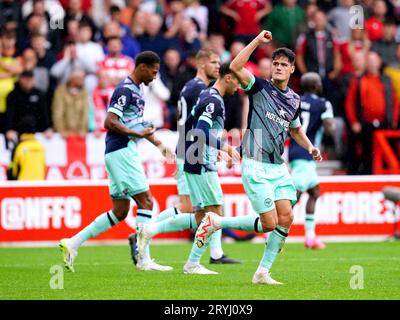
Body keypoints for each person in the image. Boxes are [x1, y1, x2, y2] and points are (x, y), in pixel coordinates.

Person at [194, 31, 322, 285]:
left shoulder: (294, 100)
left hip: (277, 166)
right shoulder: (259, 87)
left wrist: (310, 147)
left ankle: (262, 272)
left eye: (284, 64)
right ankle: (217, 222)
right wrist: (257, 42)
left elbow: (295, 129)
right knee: (269, 223)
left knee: (286, 217)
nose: (278, 67)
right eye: (275, 63)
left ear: (292, 70)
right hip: (254, 162)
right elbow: (235, 66)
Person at [59, 51, 176, 273]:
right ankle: (144, 259)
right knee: (146, 202)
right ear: (142, 67)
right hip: (121, 150)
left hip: (118, 151)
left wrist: (160, 146)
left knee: (120, 211)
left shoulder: (138, 89)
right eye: (153, 72)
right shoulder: (125, 89)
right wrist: (135, 133)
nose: (154, 76)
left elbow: (139, 126)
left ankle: (72, 243)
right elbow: (109, 121)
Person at [130, 51, 240, 269]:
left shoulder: (192, 87)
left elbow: (190, 124)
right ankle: (148, 231)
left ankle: (213, 253)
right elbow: (197, 128)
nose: (217, 66)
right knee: (200, 209)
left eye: (219, 62)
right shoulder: (201, 90)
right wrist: (210, 147)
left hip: (192, 150)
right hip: (194, 152)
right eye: (213, 62)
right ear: (200, 63)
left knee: (200, 210)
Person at [288, 72, 334, 249]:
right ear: (316, 86)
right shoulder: (323, 104)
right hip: (307, 151)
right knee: (295, 195)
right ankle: (273, 228)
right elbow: (329, 129)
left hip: (294, 150)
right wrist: (331, 124)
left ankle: (310, 237)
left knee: (314, 192)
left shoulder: (295, 100)